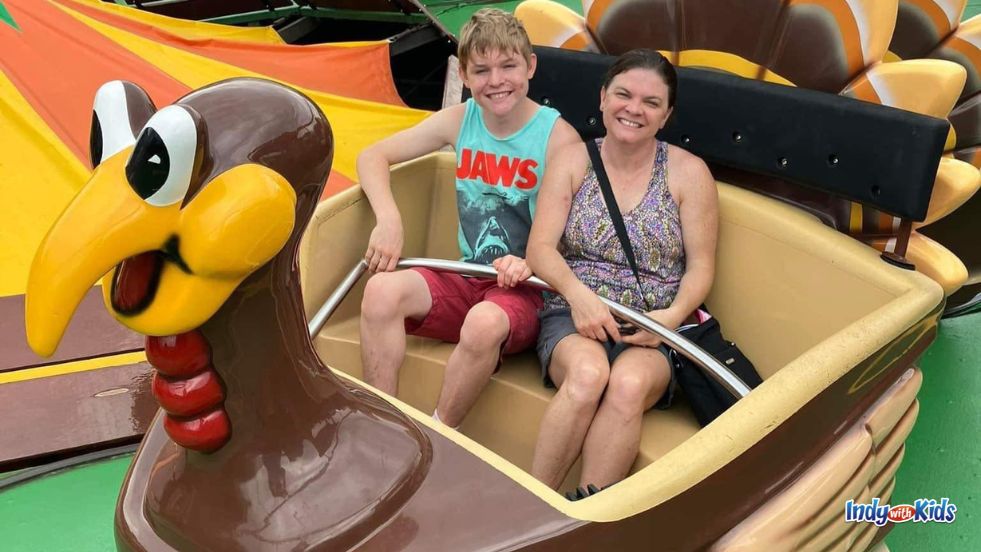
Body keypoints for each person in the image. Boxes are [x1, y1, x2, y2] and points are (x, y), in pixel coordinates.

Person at [357, 8, 580, 429]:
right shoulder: (462, 120)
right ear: (464, 74)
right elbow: (373, 156)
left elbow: (576, 233)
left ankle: (440, 434)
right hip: (466, 276)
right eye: (481, 70)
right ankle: (382, 427)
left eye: (508, 66)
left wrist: (532, 262)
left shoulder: (558, 138)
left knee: (483, 322)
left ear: (530, 66)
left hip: (528, 289)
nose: (495, 81)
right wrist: (389, 220)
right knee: (380, 292)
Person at [526, 49, 718, 493]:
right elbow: (540, 248)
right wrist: (579, 298)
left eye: (651, 103)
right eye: (623, 95)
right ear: (602, 98)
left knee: (628, 384)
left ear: (666, 114)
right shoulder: (574, 160)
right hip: (574, 313)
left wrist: (668, 321)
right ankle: (533, 503)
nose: (634, 109)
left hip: (655, 324)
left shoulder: (690, 174)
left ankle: (586, 518)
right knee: (589, 376)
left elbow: (701, 267)